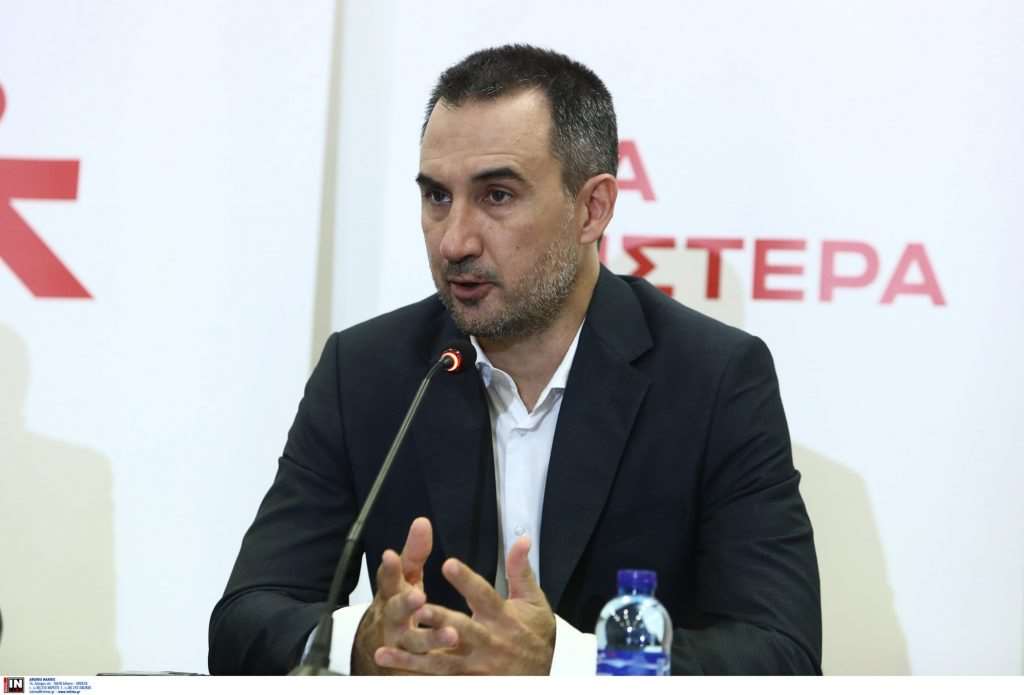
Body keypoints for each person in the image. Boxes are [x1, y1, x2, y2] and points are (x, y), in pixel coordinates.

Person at [208, 44, 821, 676]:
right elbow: (244, 622)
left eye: (497, 195)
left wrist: (565, 664)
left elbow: (782, 656)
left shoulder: (712, 379)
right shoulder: (368, 372)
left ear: (592, 209)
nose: (454, 241)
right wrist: (360, 643)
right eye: (437, 196)